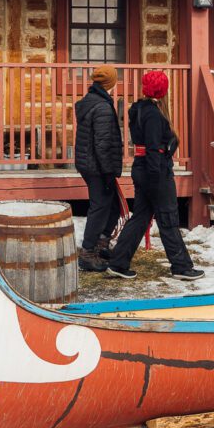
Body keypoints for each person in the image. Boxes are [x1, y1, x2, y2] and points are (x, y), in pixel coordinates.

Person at [104, 70, 205, 281]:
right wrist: (156, 176)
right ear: (162, 90)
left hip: (145, 169)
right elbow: (152, 148)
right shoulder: (152, 114)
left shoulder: (140, 109)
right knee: (168, 218)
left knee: (141, 217)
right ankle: (181, 267)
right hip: (155, 171)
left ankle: (118, 263)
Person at [74, 65, 123, 273]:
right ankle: (87, 253)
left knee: (111, 206)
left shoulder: (91, 101)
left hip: (89, 162)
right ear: (111, 83)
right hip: (97, 166)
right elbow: (102, 143)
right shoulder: (102, 106)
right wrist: (107, 172)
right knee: (100, 206)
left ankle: (101, 244)